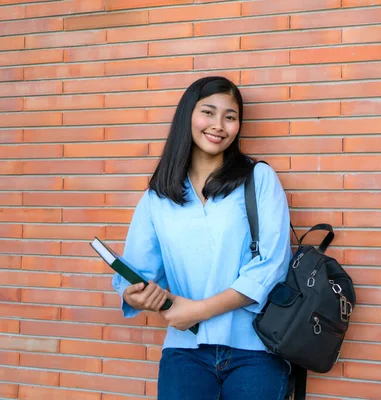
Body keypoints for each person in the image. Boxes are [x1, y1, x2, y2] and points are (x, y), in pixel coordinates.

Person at [111, 76, 292, 399]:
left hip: (255, 350)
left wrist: (198, 311)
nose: (218, 125)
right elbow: (139, 271)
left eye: (230, 117)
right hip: (185, 352)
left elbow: (271, 266)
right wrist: (133, 295)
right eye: (208, 112)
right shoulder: (158, 197)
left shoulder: (258, 179)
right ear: (188, 116)